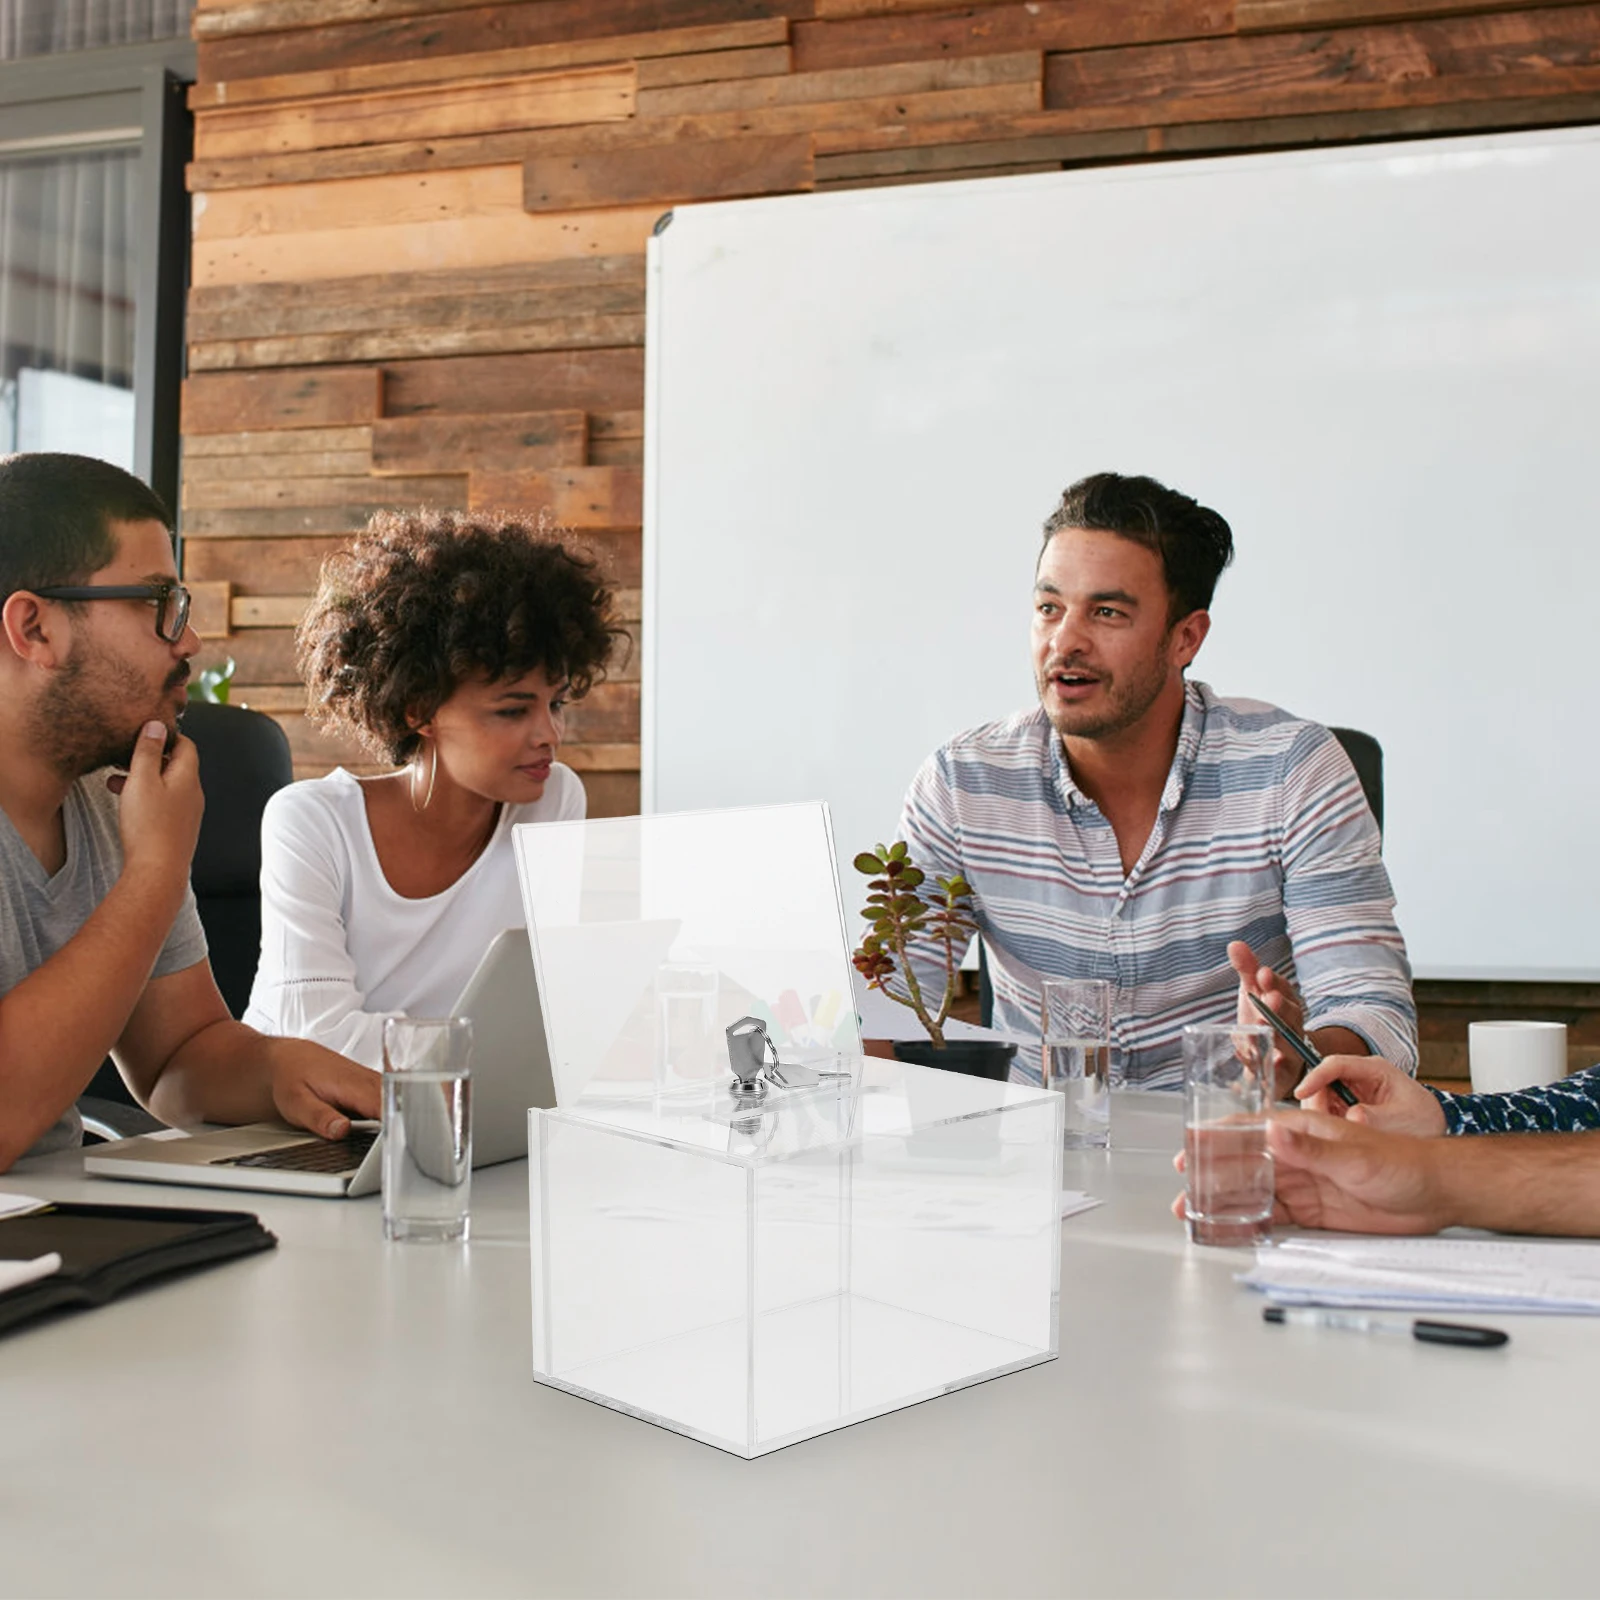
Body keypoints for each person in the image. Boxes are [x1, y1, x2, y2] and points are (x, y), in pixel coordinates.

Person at [898, 471, 1417, 1091]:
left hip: (1233, 1154)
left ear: (1185, 637)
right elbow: (892, 1009)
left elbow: (1375, 1013)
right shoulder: (962, 785)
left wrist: (1299, 1051)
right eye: (1048, 608)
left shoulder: (1294, 770)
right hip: (1041, 1163)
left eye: (1107, 613)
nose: (1065, 642)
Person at [0, 452, 379, 1171]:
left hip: (61, 1227)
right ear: (35, 628)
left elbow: (177, 1055)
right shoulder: (146, 833)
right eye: (157, 605)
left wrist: (279, 1072)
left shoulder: (109, 801)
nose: (191, 642)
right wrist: (156, 873)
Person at [244, 509, 624, 1068]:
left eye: (557, 703)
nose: (550, 734)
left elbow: (547, 1010)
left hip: (458, 1113)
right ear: (419, 708)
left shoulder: (553, 800)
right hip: (294, 1125)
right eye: (514, 709)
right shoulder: (312, 823)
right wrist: (491, 1055)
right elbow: (318, 1040)